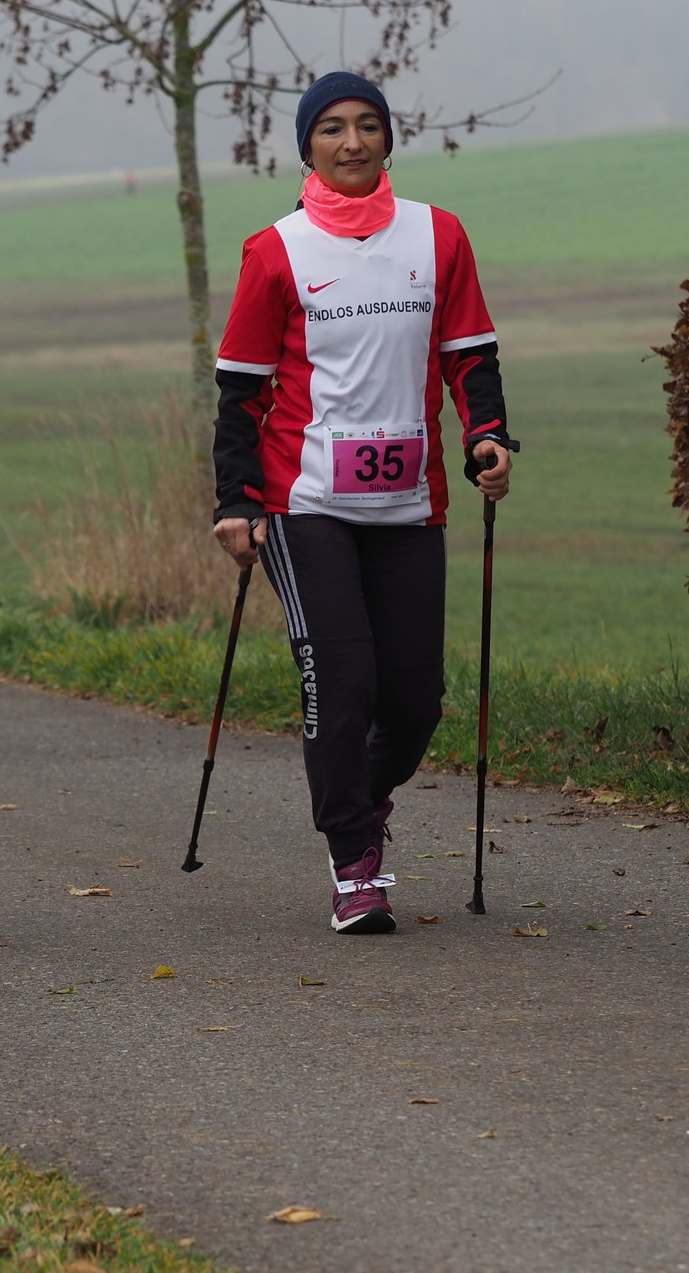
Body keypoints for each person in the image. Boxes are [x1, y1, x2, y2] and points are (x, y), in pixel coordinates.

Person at [210, 71, 516, 935]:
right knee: (341, 682)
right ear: (307, 148)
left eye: (368, 126)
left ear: (388, 139)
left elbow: (470, 356)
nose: (352, 142)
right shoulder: (276, 250)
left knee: (415, 704)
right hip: (304, 503)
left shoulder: (438, 234)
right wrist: (237, 499)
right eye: (333, 129)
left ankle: (364, 796)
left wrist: (487, 436)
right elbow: (240, 392)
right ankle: (353, 860)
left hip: (409, 505)